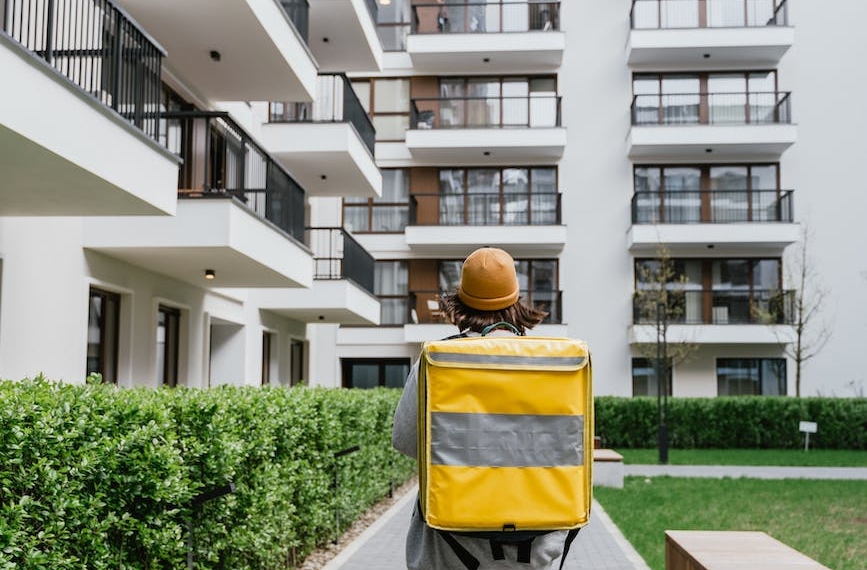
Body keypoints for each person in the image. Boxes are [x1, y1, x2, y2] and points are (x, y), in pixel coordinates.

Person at [392, 247, 573, 569]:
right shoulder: (555, 364)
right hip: (535, 544)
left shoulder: (437, 361)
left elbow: (406, 442)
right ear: (516, 301)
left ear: (459, 303)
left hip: (448, 545)